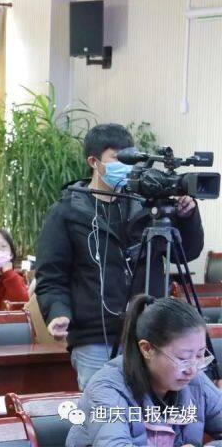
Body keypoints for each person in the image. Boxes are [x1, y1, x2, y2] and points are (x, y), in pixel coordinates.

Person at [35, 124, 204, 390]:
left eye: (131, 158)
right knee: (105, 408)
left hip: (151, 333)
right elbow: (51, 274)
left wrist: (187, 217)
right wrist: (58, 312)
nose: (127, 166)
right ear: (94, 162)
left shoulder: (146, 205)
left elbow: (187, 253)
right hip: (94, 336)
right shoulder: (67, 212)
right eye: (118, 158)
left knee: (152, 409)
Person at [67, 295, 222, 446]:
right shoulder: (107, 388)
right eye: (183, 358)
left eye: (200, 355)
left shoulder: (195, 381)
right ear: (147, 349)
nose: (192, 369)